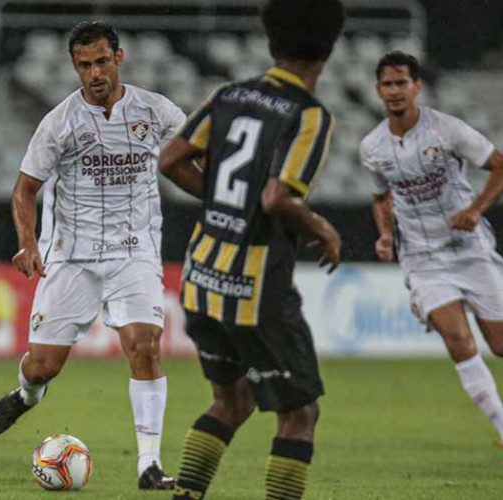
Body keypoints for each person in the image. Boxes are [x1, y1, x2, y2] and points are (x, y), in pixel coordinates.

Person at [0, 20, 185, 490]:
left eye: (100, 61)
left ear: (119, 57)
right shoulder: (59, 122)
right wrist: (28, 243)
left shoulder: (155, 110)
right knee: (43, 365)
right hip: (72, 258)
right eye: (83, 65)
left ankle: (149, 465)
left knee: (145, 346)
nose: (94, 73)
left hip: (134, 252)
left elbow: (194, 146)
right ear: (75, 67)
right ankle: (28, 395)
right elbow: (24, 190)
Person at [158, 0, 344, 497]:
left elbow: (172, 158)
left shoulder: (230, 94)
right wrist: (322, 226)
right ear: (329, 49)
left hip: (201, 278)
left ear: (271, 41)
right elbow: (277, 196)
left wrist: (222, 197)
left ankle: (185, 495)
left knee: (231, 401)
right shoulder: (309, 116)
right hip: (256, 289)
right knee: (300, 414)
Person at [361, 50, 503, 449]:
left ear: (416, 86)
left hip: (469, 248)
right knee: (459, 341)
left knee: (500, 344)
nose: (394, 91)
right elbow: (380, 197)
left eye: (401, 83)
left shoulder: (447, 130)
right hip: (423, 259)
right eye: (387, 84)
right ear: (377, 90)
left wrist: (476, 209)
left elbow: (499, 164)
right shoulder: (372, 146)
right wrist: (386, 235)